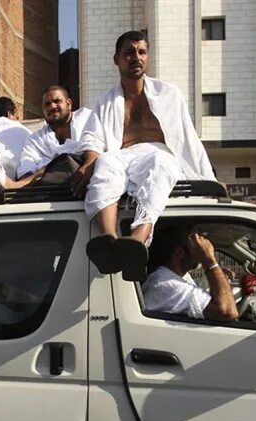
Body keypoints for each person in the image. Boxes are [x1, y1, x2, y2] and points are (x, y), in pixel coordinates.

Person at [75, 31, 217, 281]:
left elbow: (187, 138)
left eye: (141, 52)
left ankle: (137, 242)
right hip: (122, 154)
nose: (136, 58)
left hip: (159, 153)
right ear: (116, 59)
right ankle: (108, 241)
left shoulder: (168, 93)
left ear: (147, 57)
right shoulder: (105, 101)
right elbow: (94, 138)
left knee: (161, 165)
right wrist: (89, 162)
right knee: (105, 163)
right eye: (129, 52)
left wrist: (208, 178)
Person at [142, 224, 237, 321]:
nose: (199, 247)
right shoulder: (167, 284)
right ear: (179, 252)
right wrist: (209, 261)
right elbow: (227, 311)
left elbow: (211, 300)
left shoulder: (178, 277)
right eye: (194, 244)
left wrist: (220, 279)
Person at [14, 85, 93, 186]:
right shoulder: (35, 140)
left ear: (69, 104)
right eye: (47, 104)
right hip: (50, 192)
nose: (52, 106)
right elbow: (25, 172)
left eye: (57, 101)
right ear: (42, 109)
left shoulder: (86, 118)